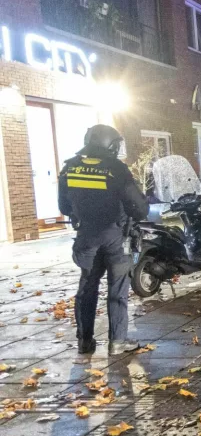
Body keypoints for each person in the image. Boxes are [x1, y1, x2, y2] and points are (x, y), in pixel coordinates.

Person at [58, 125, 149, 354]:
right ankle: (117, 341)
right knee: (117, 288)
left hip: (86, 238)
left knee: (87, 287)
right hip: (115, 238)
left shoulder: (70, 168)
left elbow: (64, 206)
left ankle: (84, 341)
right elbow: (139, 209)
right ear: (109, 144)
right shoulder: (116, 169)